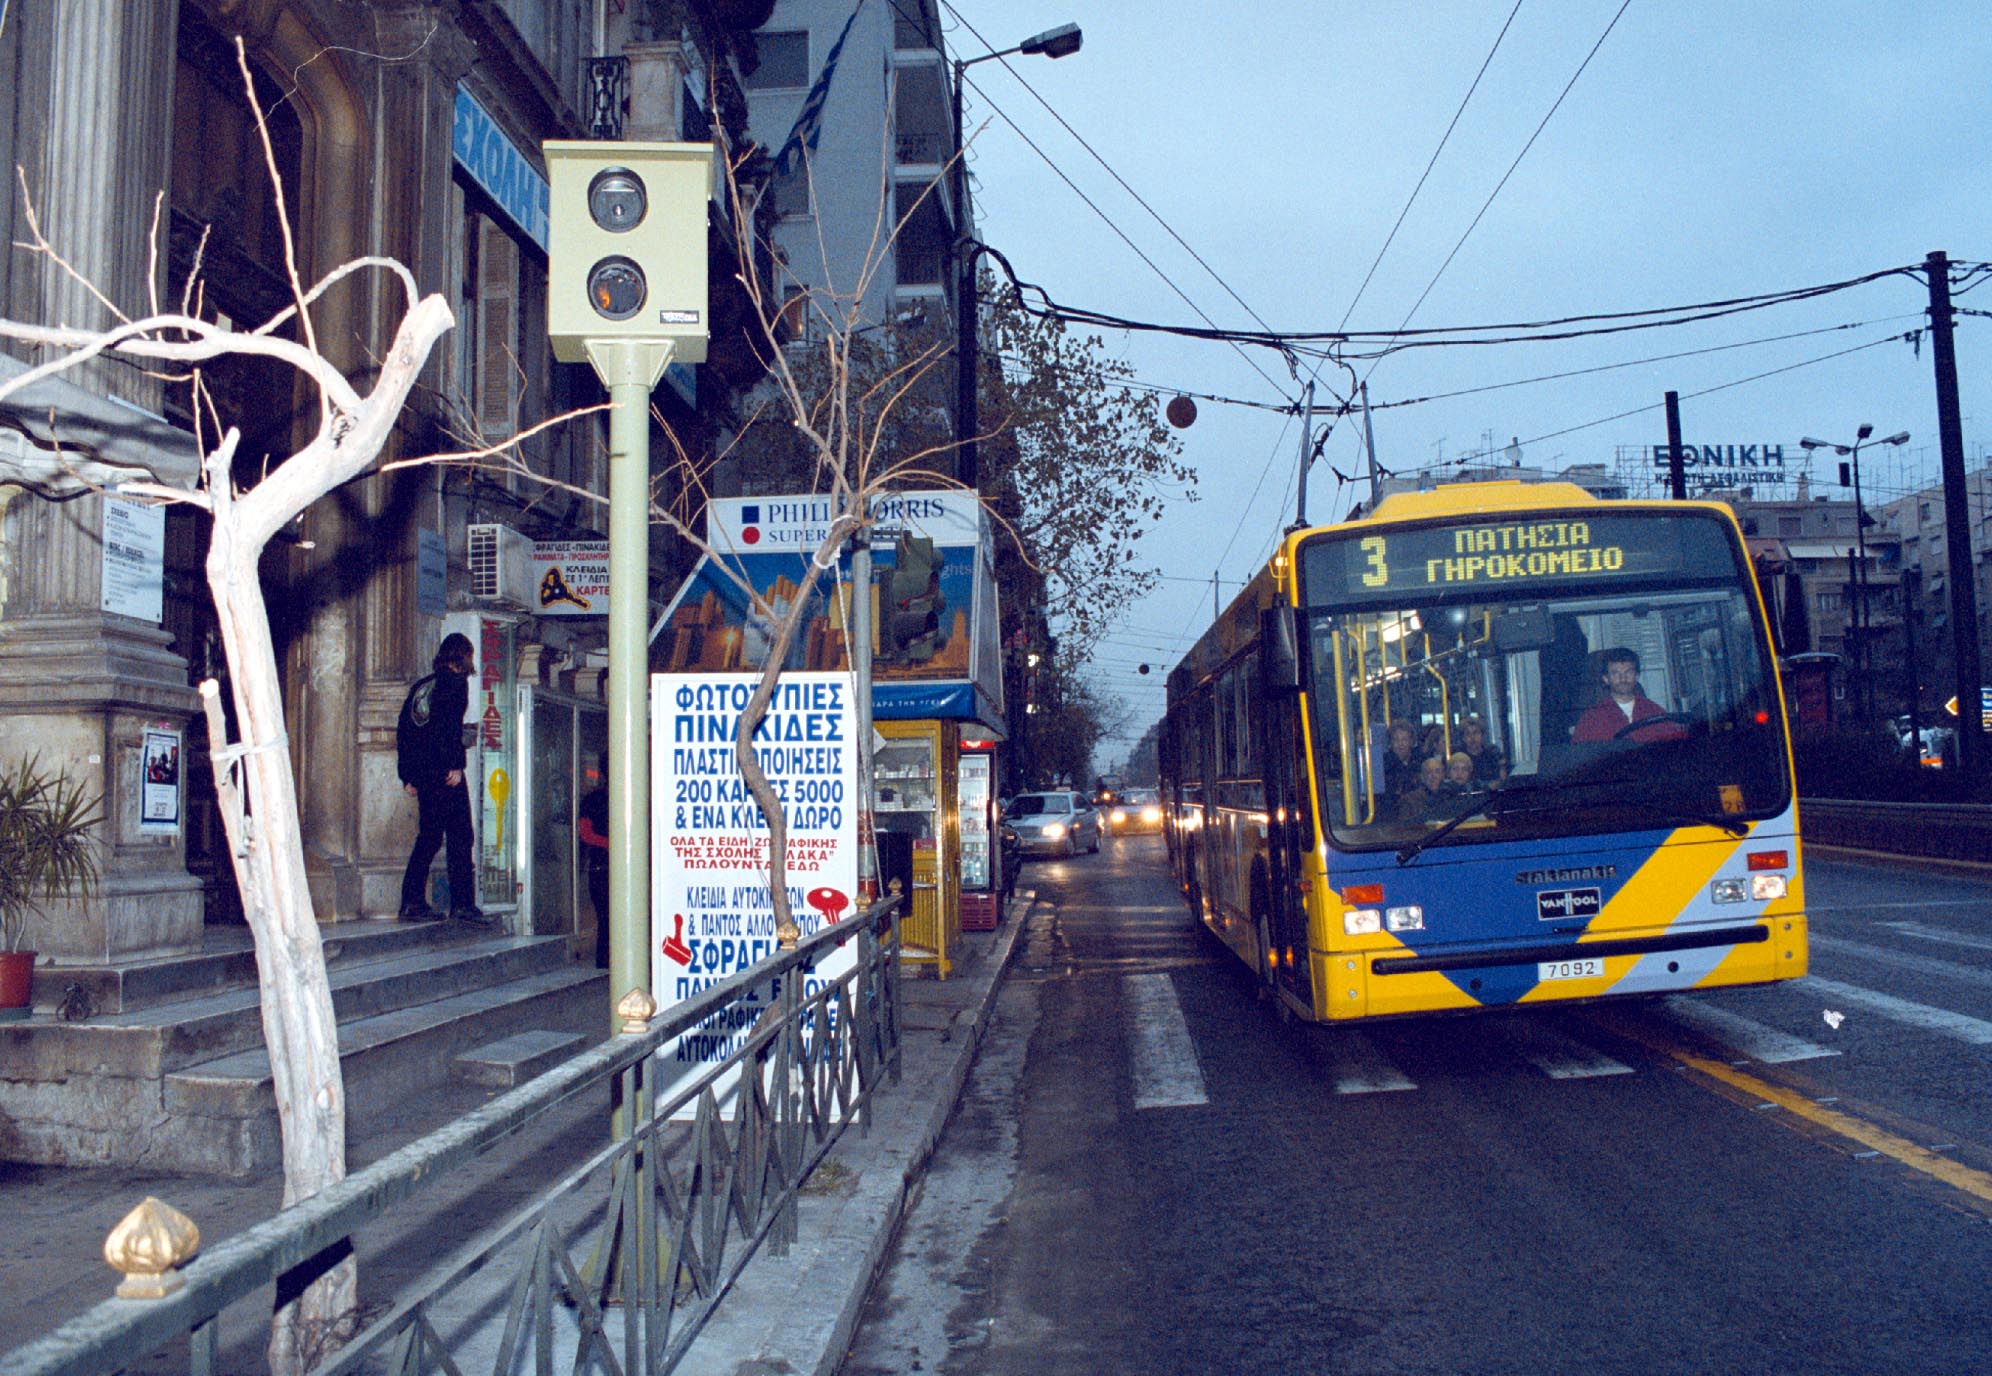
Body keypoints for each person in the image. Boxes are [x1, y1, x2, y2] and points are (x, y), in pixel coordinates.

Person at [397, 632, 487, 923]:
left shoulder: (422, 686)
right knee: (462, 835)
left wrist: (408, 776)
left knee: (429, 837)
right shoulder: (455, 683)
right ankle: (462, 904)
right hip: (444, 772)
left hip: (423, 773)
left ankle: (411, 901)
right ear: (463, 657)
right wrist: (455, 765)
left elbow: (405, 732)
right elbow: (448, 727)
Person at [1572, 647, 1688, 744]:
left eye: (1628, 672)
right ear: (1606, 679)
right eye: (1616, 673)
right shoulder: (1590, 720)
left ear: (1637, 676)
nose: (1623, 678)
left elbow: (1674, 750)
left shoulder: (1655, 712)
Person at [577, 755, 610, 969]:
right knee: (606, 918)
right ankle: (605, 963)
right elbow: (585, 834)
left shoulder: (591, 799)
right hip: (601, 867)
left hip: (600, 867)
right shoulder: (592, 800)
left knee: (606, 919)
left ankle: (605, 963)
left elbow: (586, 834)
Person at [1397, 755, 1448, 821]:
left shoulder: (1450, 796)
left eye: (1437, 771)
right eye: (1429, 772)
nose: (1434, 776)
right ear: (1422, 777)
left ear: (1443, 775)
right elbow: (1404, 827)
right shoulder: (1409, 800)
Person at [1461, 716, 1506, 783]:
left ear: (1482, 735)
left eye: (1476, 733)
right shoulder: (1460, 758)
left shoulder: (1492, 756)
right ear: (1463, 738)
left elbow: (1501, 780)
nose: (1472, 737)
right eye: (1468, 734)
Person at [1382, 721, 1421, 798]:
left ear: (1411, 742)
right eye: (1396, 740)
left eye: (1404, 739)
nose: (1400, 744)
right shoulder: (1384, 764)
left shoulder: (1418, 762)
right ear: (1390, 743)